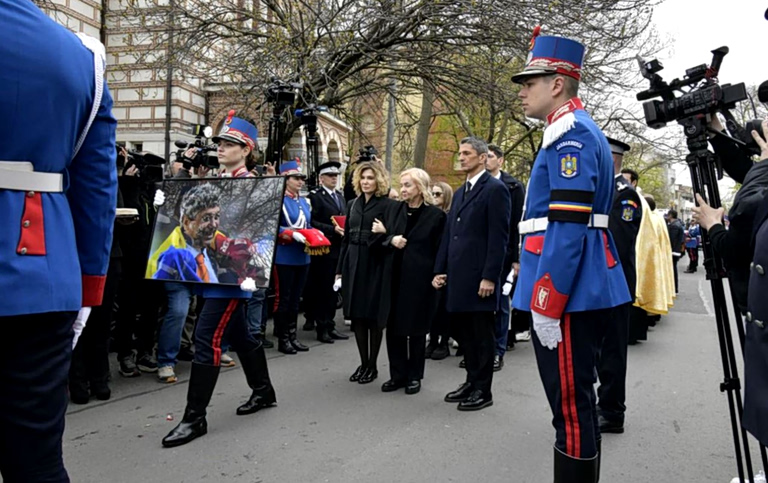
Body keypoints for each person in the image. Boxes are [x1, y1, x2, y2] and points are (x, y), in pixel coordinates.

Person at [0, 2, 117, 480]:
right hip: (41, 279)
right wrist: (88, 288)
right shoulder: (82, 56)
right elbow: (96, 191)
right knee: (36, 460)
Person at [510, 28, 630, 480]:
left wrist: (547, 298)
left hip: (569, 289)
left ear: (557, 83)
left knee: (571, 408)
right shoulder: (570, 129)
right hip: (578, 283)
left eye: (530, 83)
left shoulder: (570, 134)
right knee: (574, 403)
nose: (522, 92)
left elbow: (567, 225)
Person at [161, 114, 276, 448]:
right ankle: (264, 390)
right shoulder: (214, 183)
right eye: (220, 143)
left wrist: (217, 240)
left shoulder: (255, 188)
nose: (221, 149)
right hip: (209, 275)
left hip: (232, 277)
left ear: (246, 150)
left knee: (206, 336)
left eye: (229, 144)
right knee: (240, 335)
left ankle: (194, 417)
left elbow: (253, 238)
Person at [433, 136, 510, 411]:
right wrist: (440, 269)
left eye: (467, 153)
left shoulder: (495, 189)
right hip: (458, 276)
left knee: (481, 335)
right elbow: (449, 235)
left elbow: (498, 237)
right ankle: (471, 381)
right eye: (460, 153)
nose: (461, 157)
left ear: (482, 157)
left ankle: (483, 389)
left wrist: (490, 276)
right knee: (464, 333)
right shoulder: (460, 191)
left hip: (479, 277)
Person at [374, 168, 446, 395]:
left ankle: (414, 376)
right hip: (392, 277)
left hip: (420, 279)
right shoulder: (393, 210)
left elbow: (441, 248)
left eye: (408, 185)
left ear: (420, 187)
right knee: (393, 328)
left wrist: (439, 273)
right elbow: (375, 239)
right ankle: (397, 375)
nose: (403, 189)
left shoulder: (435, 216)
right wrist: (390, 239)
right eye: (402, 185)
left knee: (416, 329)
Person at [596, 137, 642, 435]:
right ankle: (599, 403)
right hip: (596, 283)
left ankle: (612, 411)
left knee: (612, 351)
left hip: (614, 283)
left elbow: (617, 243)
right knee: (597, 349)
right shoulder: (601, 189)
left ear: (609, 158)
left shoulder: (625, 196)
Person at [337, 161, 393, 384]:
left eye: (370, 178)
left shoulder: (388, 205)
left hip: (375, 262)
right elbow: (346, 239)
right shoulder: (352, 204)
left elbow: (395, 234)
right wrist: (339, 270)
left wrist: (385, 231)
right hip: (353, 261)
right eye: (362, 178)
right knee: (357, 315)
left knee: (373, 316)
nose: (366, 182)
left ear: (378, 180)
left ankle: (373, 365)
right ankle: (363, 363)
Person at [486, 144, 525, 367]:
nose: (486, 160)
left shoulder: (513, 187)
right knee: (480, 304)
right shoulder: (478, 184)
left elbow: (516, 224)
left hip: (505, 253)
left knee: (501, 303)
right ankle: (480, 349)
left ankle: (498, 350)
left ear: (500, 161)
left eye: (491, 157)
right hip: (481, 252)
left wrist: (516, 259)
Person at [305, 161, 350, 343]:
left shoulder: (339, 197)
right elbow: (311, 222)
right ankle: (321, 327)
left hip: (338, 248)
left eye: (336, 176)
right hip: (323, 249)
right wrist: (332, 230)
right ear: (321, 178)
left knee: (334, 289)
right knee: (322, 289)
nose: (334, 178)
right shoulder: (315, 197)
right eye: (330, 176)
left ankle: (330, 325)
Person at [273, 160, 312, 354]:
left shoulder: (303, 202)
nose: (300, 182)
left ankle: (292, 335)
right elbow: (272, 225)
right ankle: (283, 338)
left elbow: (307, 225)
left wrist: (315, 235)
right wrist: (288, 233)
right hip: (285, 255)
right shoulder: (278, 200)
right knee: (284, 299)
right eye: (296, 178)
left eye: (302, 178)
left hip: (302, 255)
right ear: (285, 179)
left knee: (296, 299)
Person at [425, 181, 454, 360]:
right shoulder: (431, 215)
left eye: (438, 194)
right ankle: (433, 340)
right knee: (432, 306)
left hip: (446, 264)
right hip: (430, 262)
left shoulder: (450, 216)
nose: (434, 197)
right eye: (432, 194)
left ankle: (443, 342)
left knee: (443, 306)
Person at [667, 209, 685, 294]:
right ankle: (674, 287)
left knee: (672, 269)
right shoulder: (677, 224)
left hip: (673, 251)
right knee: (673, 268)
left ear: (670, 215)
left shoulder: (674, 226)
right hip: (676, 250)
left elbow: (672, 239)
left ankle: (673, 287)